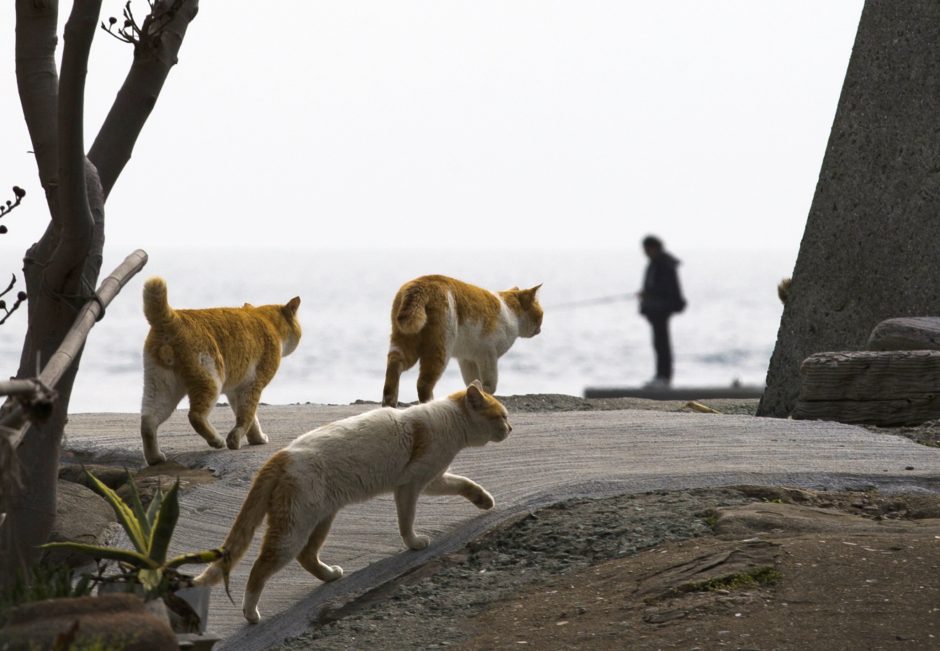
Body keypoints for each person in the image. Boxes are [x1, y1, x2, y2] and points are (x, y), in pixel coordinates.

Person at [638, 235, 686, 388]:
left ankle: (663, 377)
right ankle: (661, 376)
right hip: (658, 308)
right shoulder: (658, 263)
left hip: (662, 308)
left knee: (661, 344)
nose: (644, 252)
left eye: (646, 249)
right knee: (659, 343)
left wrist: (648, 293)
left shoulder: (663, 264)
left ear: (653, 247)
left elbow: (666, 287)